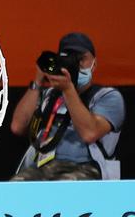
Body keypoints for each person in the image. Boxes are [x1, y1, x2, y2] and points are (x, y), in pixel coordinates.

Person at [10, 32, 124, 181]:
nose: (76, 64)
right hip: (42, 168)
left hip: (85, 167)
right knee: (13, 193)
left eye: (81, 58)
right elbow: (17, 126)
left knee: (65, 189)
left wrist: (68, 89)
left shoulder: (107, 96)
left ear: (94, 64)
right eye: (68, 58)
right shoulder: (49, 95)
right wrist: (38, 81)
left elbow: (90, 133)